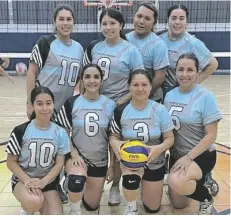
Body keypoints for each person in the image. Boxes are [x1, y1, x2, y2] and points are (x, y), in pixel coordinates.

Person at [82, 8, 144, 206]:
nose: (108, 27)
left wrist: (122, 101)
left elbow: (138, 80)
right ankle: (85, 178)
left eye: (112, 23)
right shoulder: (94, 47)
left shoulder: (131, 50)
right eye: (104, 24)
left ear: (121, 25)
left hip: (120, 106)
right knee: (92, 143)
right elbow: (85, 76)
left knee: (116, 147)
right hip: (96, 104)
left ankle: (116, 186)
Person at [159, 4, 219, 195]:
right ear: (167, 20)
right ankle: (171, 166)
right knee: (171, 135)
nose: (177, 22)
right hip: (165, 95)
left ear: (186, 21)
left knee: (193, 131)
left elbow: (213, 64)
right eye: (174, 18)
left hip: (183, 91)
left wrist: (191, 85)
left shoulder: (192, 43)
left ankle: (204, 174)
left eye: (181, 18)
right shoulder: (160, 41)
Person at [26, 4, 84, 203]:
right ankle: (34, 185)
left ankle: (60, 183)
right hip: (44, 106)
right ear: (55, 22)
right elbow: (32, 72)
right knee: (44, 147)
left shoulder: (78, 48)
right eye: (62, 19)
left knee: (61, 148)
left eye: (69, 19)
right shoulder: (45, 42)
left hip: (65, 108)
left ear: (73, 23)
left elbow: (80, 80)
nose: (65, 23)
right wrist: (30, 102)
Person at [109, 69, 174, 215]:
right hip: (130, 162)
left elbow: (170, 138)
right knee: (130, 180)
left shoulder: (160, 109)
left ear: (151, 87)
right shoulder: (120, 110)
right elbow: (113, 136)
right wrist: (116, 145)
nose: (140, 89)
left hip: (155, 161)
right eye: (135, 85)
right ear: (129, 87)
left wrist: (158, 149)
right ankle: (131, 207)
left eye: (144, 85)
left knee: (152, 208)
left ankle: (150, 182)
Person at [164, 53, 222, 215]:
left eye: (190, 70)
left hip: (201, 155)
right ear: (175, 72)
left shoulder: (206, 97)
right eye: (180, 69)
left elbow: (211, 135)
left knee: (176, 181)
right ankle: (200, 181)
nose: (184, 74)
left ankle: (206, 198)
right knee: (178, 204)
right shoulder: (169, 95)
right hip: (178, 154)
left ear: (197, 73)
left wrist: (188, 157)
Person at [56, 64, 116, 215]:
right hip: (77, 157)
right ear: (81, 80)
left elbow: (113, 138)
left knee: (91, 206)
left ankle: (77, 185)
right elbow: (63, 134)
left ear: (101, 81)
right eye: (87, 77)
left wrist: (112, 165)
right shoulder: (71, 103)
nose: (92, 81)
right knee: (77, 181)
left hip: (99, 160)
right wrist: (74, 154)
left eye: (96, 77)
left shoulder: (110, 105)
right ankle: (74, 209)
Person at [6, 86, 70, 215]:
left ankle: (38, 201)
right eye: (39, 104)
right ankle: (28, 209)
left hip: (47, 182)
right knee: (33, 202)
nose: (45, 108)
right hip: (22, 181)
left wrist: (43, 182)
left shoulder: (60, 132)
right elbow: (11, 162)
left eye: (48, 103)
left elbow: (59, 164)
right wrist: (27, 180)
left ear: (53, 104)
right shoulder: (21, 130)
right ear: (32, 106)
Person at [126, 2, 169, 103]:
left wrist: (141, 96)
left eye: (147, 18)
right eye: (139, 16)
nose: (141, 21)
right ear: (134, 17)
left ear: (154, 23)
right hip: (126, 98)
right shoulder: (124, 39)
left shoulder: (158, 45)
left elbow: (159, 78)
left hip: (151, 99)